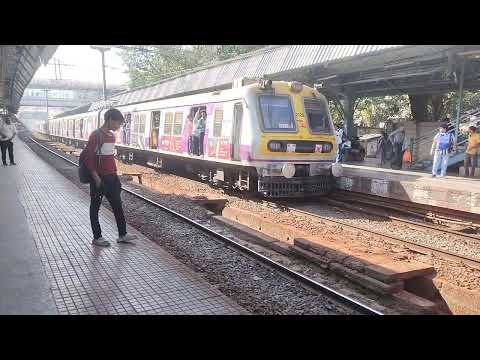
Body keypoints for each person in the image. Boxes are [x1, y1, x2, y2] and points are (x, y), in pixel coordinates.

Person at [84, 108, 137, 247]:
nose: (118, 127)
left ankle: (122, 234)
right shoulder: (96, 136)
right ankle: (97, 237)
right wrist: (95, 177)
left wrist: (115, 174)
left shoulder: (112, 137)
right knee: (95, 208)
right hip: (99, 179)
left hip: (112, 178)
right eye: (118, 123)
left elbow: (109, 157)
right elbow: (88, 159)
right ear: (110, 120)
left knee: (118, 206)